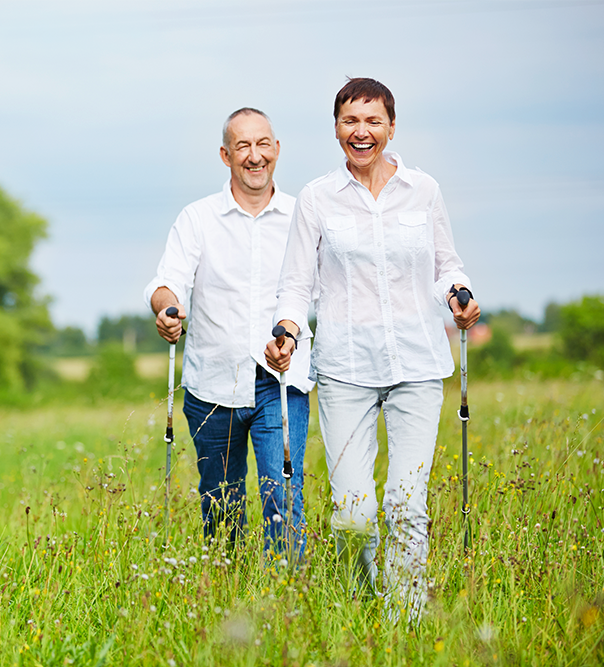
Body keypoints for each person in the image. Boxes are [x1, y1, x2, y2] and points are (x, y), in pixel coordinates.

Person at [265, 78, 480, 620]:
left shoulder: (423, 190)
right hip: (345, 369)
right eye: (349, 122)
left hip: (416, 364)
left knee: (407, 504)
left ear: (390, 127)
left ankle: (403, 621)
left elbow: (444, 265)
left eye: (372, 122)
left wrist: (460, 293)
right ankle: (365, 602)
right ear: (336, 128)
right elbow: (294, 283)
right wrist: (286, 331)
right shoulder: (316, 198)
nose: (361, 133)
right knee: (353, 513)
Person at [144, 108, 313, 555]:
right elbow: (167, 283)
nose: (254, 156)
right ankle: (225, 595)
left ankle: (286, 599)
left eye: (263, 145)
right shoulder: (197, 218)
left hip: (281, 380)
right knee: (221, 504)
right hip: (213, 382)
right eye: (243, 146)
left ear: (276, 150)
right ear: (225, 155)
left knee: (282, 495)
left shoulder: (303, 215)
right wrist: (168, 310)